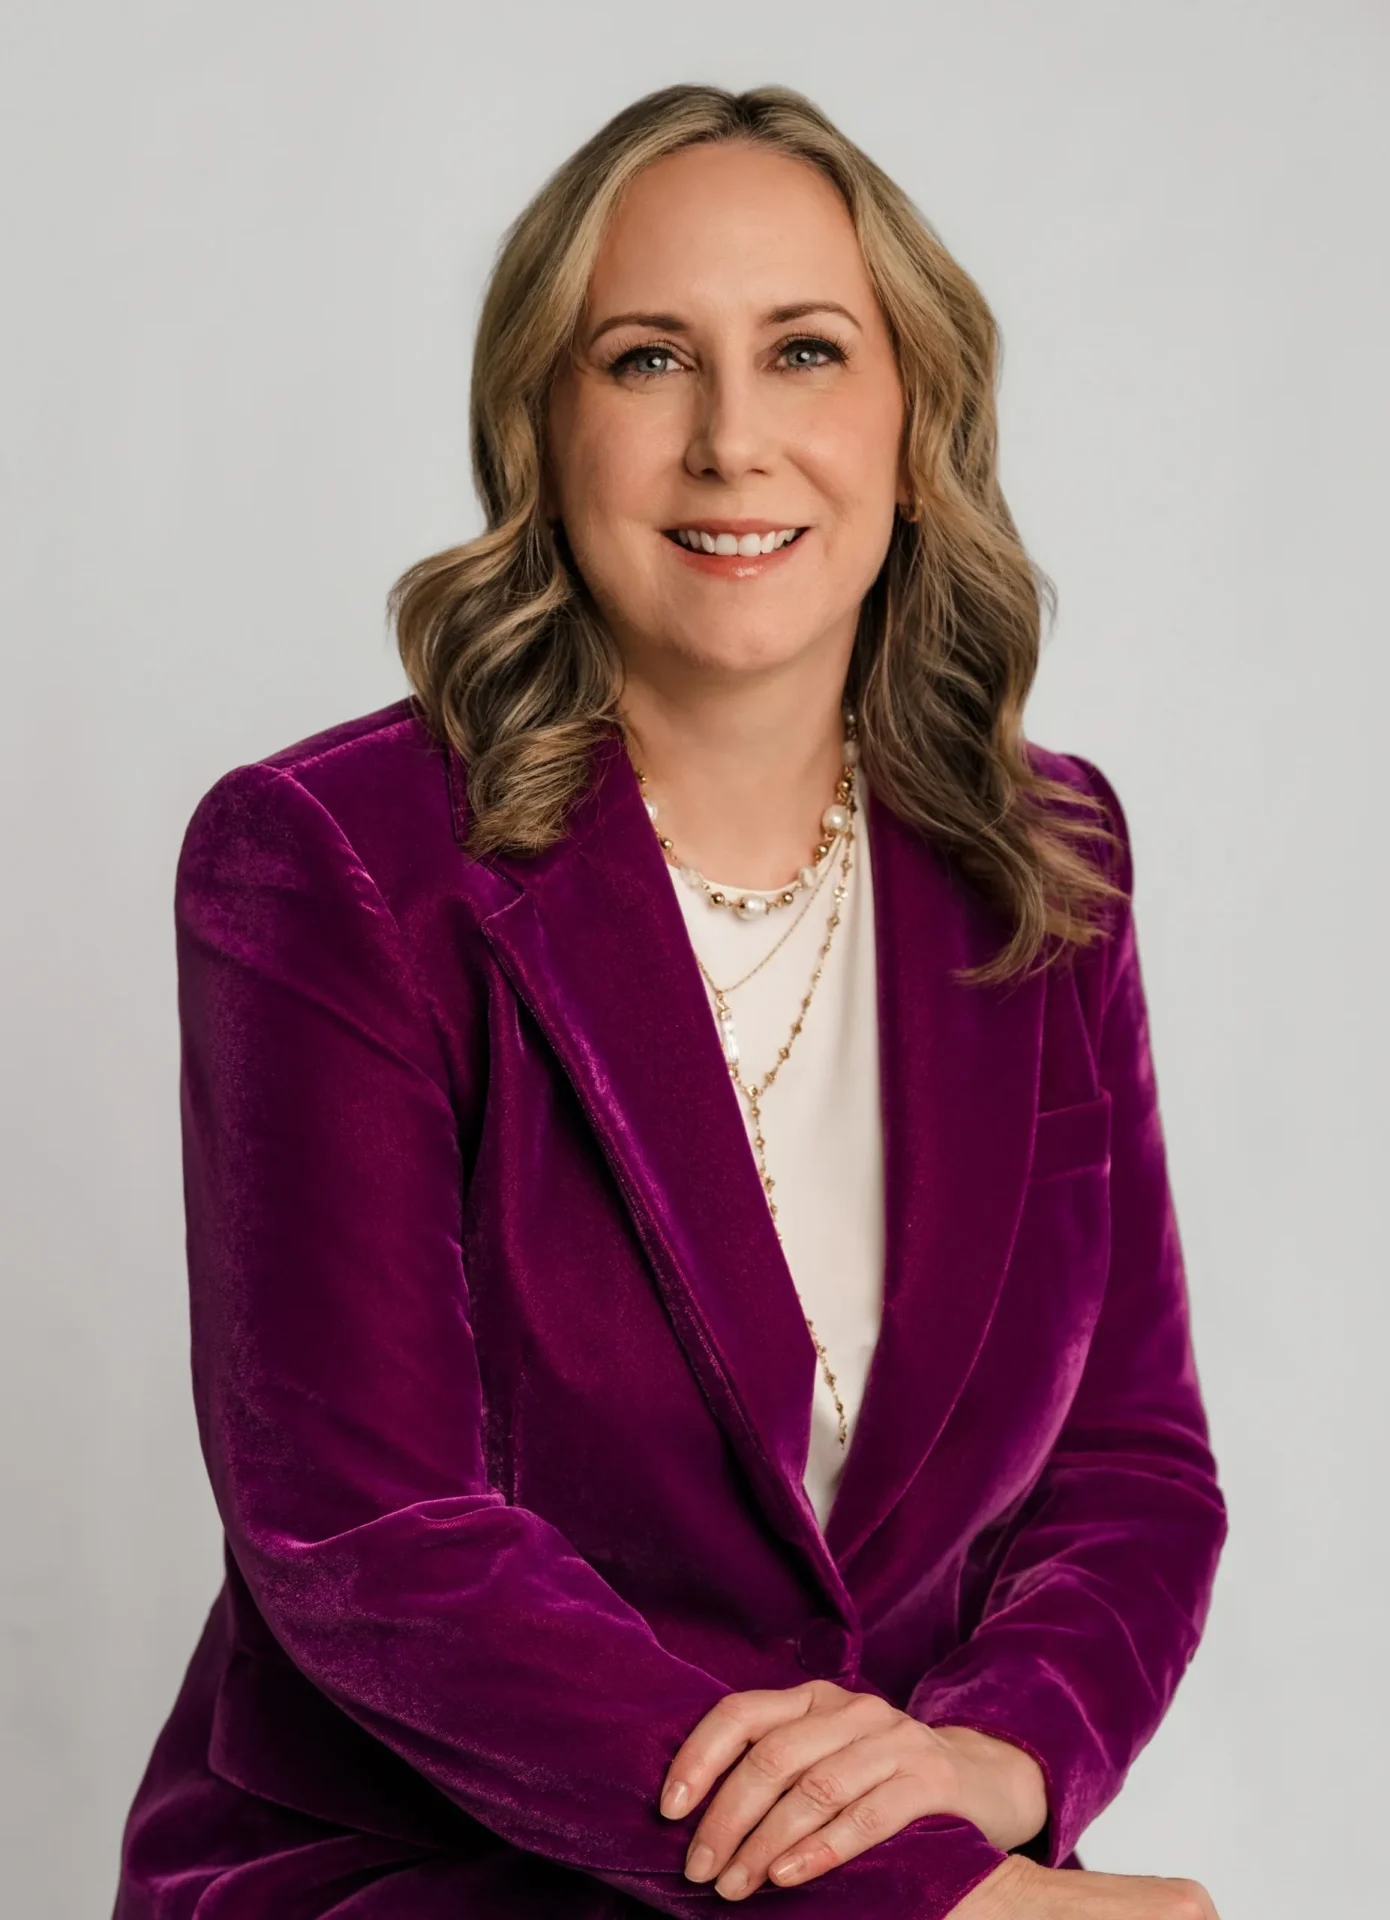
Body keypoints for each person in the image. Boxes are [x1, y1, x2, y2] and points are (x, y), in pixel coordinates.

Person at [112, 83, 1228, 1920]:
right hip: (429, 1869)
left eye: (802, 350)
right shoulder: (327, 860)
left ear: (911, 410)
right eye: (644, 361)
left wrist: (982, 1766)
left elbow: (1129, 1460)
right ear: (540, 432)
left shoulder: (1044, 854)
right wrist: (933, 1898)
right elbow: (369, 1542)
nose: (731, 440)